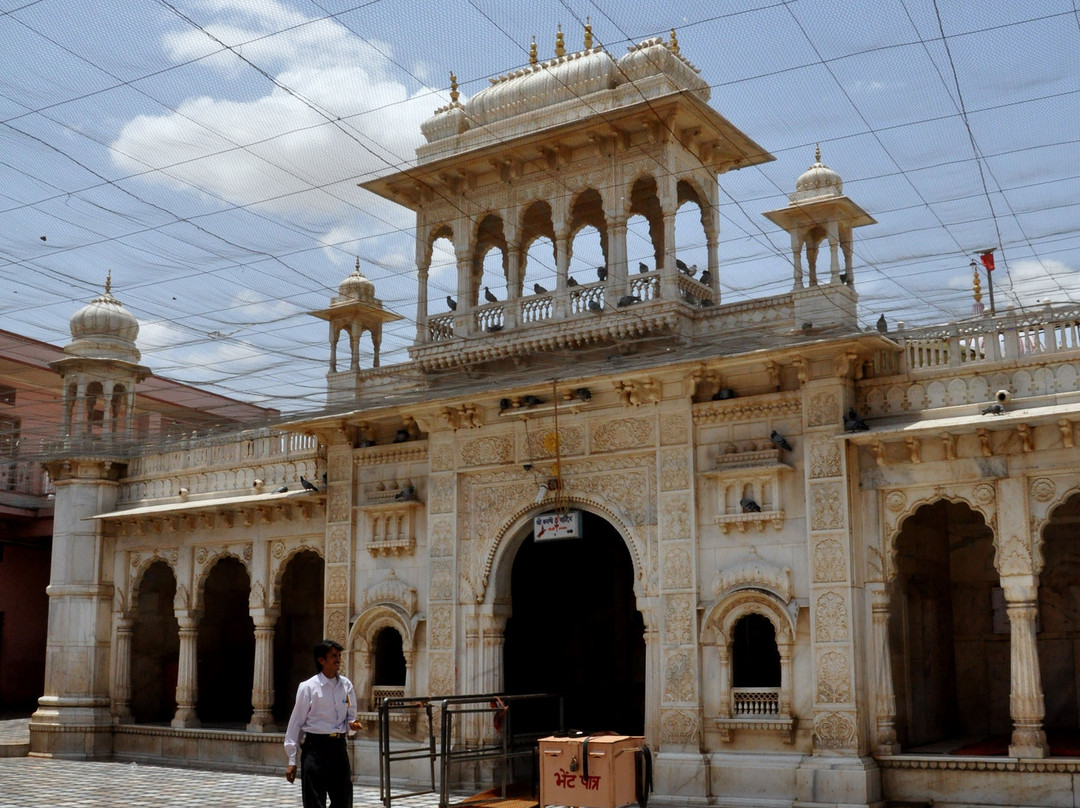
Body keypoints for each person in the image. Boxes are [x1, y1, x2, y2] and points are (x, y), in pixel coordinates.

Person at [284, 639, 364, 807]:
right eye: (333, 656)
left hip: (338, 748)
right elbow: (296, 723)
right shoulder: (308, 687)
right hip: (315, 748)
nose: (338, 659)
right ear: (321, 660)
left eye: (339, 655)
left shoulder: (346, 685)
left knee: (343, 799)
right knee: (314, 800)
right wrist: (292, 760)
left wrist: (353, 725)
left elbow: (351, 715)